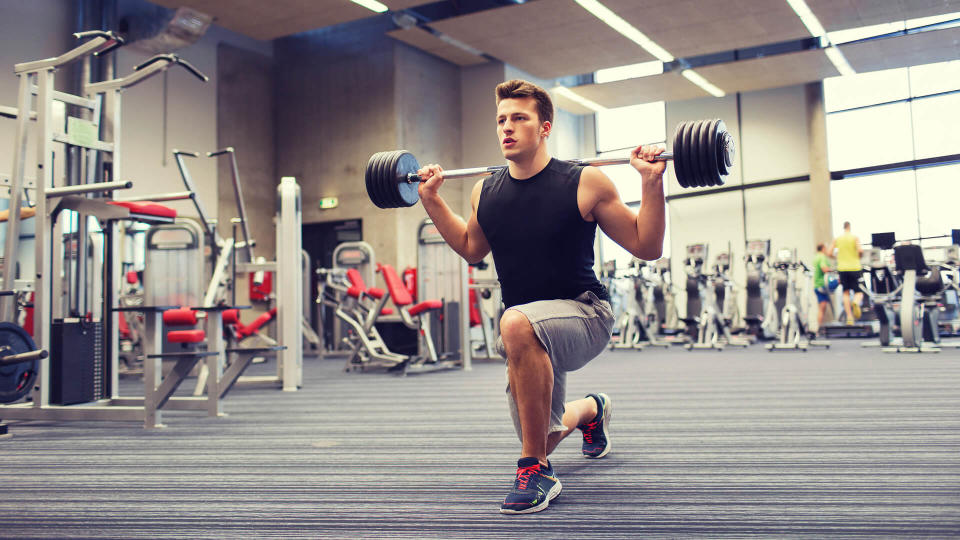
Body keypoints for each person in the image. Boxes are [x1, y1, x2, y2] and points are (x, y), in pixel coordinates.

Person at [415, 79, 666, 514]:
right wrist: (431, 199)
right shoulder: (485, 191)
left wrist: (650, 183)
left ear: (544, 127)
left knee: (515, 323)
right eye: (501, 120)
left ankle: (536, 469)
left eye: (519, 118)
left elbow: (647, 246)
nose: (506, 128)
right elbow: (472, 249)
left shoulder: (584, 181)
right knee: (543, 431)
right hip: (528, 331)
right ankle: (592, 410)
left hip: (585, 314)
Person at [829, 221, 864, 325]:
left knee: (846, 293)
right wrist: (858, 257)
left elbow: (829, 252)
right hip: (854, 267)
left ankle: (849, 317)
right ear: (849, 227)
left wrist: (837, 257)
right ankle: (856, 302)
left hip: (842, 268)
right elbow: (860, 251)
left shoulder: (838, 239)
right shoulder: (854, 237)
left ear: (843, 227)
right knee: (858, 291)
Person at [812, 242, 834, 334]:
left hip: (817, 285)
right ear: (823, 249)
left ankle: (819, 328)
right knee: (822, 307)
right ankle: (818, 329)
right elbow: (824, 269)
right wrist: (833, 269)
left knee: (822, 308)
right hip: (822, 285)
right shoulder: (822, 257)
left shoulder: (816, 257)